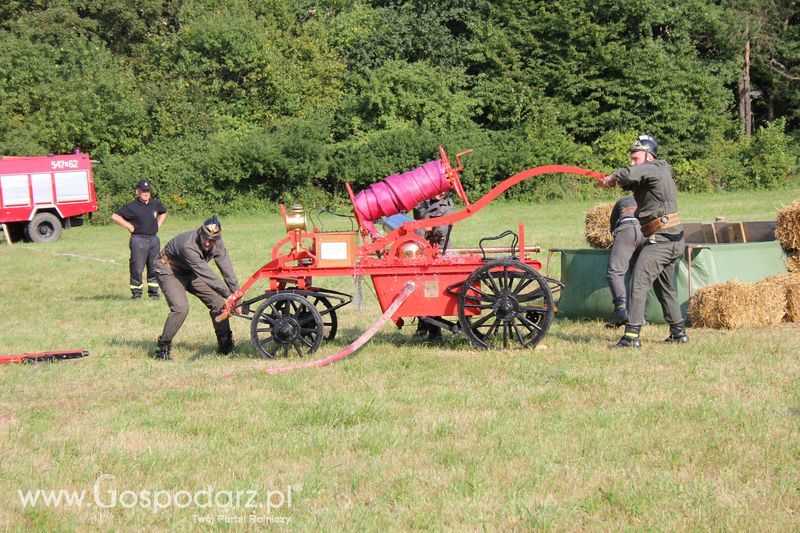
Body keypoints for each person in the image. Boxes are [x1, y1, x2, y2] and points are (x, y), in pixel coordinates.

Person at [598, 135, 688, 347]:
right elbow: (632, 179)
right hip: (672, 238)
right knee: (664, 287)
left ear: (649, 156)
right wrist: (613, 181)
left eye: (635, 158)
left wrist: (613, 177)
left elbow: (628, 175)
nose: (632, 162)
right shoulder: (656, 171)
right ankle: (678, 332)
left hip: (662, 240)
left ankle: (631, 337)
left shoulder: (654, 167)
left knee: (638, 284)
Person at [152, 215, 241, 360]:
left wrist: (237, 294)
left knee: (218, 303)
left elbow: (226, 267)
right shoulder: (188, 246)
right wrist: (228, 294)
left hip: (189, 271)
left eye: (212, 240)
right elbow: (206, 274)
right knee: (180, 309)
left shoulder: (216, 241)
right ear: (200, 231)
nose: (208, 243)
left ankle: (226, 346)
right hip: (168, 270)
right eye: (206, 238)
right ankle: (162, 348)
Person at [111, 179, 168, 299]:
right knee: (137, 268)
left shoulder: (155, 203)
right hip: (138, 240)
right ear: (137, 192)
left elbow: (164, 212)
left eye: (148, 191)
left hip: (153, 240)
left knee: (154, 267)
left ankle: (154, 294)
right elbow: (115, 216)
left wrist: (158, 224)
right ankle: (136, 295)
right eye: (143, 191)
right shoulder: (132, 206)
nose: (146, 193)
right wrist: (128, 226)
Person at [412, 191, 456, 341]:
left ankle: (435, 331)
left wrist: (424, 228)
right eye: (438, 190)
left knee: (432, 290)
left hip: (439, 253)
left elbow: (441, 231)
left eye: (444, 191)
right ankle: (423, 325)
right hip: (420, 251)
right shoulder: (421, 202)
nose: (440, 193)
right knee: (418, 287)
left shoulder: (447, 207)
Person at [605, 195, 643, 328]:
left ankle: (621, 311)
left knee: (614, 272)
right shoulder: (646, 198)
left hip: (627, 229)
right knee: (641, 276)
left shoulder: (622, 201)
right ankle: (640, 315)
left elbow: (613, 228)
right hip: (646, 232)